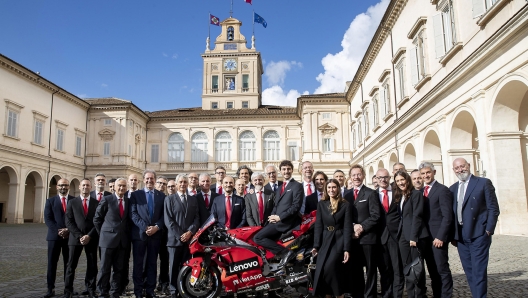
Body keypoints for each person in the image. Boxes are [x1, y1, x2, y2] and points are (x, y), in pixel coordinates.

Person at [449, 158, 500, 298]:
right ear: (453, 170)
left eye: (462, 166)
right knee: (470, 272)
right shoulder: (452, 189)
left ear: (469, 166)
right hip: (461, 237)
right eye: (457, 168)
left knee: (479, 271)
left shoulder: (483, 183)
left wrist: (488, 230)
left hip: (479, 234)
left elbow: (493, 208)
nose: (460, 170)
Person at [254, 160, 303, 268]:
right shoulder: (281, 187)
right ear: (280, 171)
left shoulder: (297, 186)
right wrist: (272, 217)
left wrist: (280, 217)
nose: (286, 171)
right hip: (276, 221)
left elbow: (295, 206)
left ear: (292, 170)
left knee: (257, 238)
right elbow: (276, 206)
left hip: (287, 222)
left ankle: (286, 252)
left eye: (288, 169)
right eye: (284, 169)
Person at [344, 164, 380, 298]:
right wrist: (353, 225)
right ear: (350, 177)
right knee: (355, 269)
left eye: (359, 174)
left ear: (363, 176)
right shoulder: (346, 195)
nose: (356, 177)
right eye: (353, 175)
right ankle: (358, 294)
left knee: (371, 269)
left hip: (368, 237)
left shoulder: (371, 193)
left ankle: (370, 295)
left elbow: (375, 215)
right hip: (352, 238)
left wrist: (361, 227)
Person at [311, 179, 352, 298]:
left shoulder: (345, 205)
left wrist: (346, 249)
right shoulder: (322, 204)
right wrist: (316, 245)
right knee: (324, 271)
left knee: (333, 269)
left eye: (334, 187)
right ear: (325, 189)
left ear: (338, 188)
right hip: (325, 240)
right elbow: (318, 225)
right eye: (329, 187)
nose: (331, 190)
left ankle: (340, 295)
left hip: (338, 240)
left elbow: (347, 227)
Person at [419, 162, 454, 298]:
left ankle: (446, 295)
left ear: (434, 172)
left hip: (438, 237)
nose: (426, 175)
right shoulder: (421, 191)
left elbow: (447, 216)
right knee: (432, 270)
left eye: (428, 172)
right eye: (423, 173)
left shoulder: (442, 190)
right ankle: (437, 294)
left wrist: (441, 236)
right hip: (426, 238)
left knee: (442, 269)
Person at [130, 170, 166, 298]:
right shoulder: (135, 195)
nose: (149, 181)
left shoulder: (161, 196)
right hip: (140, 235)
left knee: (152, 264)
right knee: (138, 264)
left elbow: (163, 216)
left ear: (155, 180)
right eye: (147, 178)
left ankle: (150, 290)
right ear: (143, 179)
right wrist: (145, 227)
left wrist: (156, 227)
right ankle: (138, 291)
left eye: (152, 179)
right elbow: (133, 214)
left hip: (155, 235)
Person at [394, 170, 429, 298]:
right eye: (397, 181)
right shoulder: (402, 195)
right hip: (403, 235)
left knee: (417, 267)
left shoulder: (416, 194)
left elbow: (417, 216)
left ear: (407, 179)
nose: (400, 183)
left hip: (415, 235)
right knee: (407, 267)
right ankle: (410, 294)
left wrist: (413, 237)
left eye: (402, 180)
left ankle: (420, 294)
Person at [164, 175, 201, 298]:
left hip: (189, 240)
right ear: (176, 183)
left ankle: (184, 289)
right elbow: (168, 220)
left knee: (185, 267)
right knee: (174, 267)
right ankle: (173, 290)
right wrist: (181, 235)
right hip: (174, 240)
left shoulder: (193, 199)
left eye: (185, 182)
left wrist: (190, 232)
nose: (183, 184)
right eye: (180, 182)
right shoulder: (169, 199)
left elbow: (197, 218)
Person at [93, 178, 130, 298]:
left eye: (124, 186)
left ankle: (115, 292)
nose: (121, 188)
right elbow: (97, 219)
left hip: (122, 241)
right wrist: (103, 234)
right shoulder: (107, 199)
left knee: (119, 269)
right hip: (107, 241)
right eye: (119, 186)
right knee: (105, 268)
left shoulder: (128, 201)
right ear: (114, 187)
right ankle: (103, 292)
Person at [63, 178, 99, 298]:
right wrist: (79, 236)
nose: (85, 187)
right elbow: (68, 221)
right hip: (75, 239)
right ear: (79, 187)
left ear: (91, 187)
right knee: (71, 265)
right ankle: (68, 291)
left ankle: (90, 289)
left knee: (92, 265)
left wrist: (89, 235)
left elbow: (98, 222)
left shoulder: (96, 203)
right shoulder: (72, 202)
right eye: (83, 185)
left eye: (87, 185)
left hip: (91, 238)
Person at [375, 168, 404, 298]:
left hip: (396, 235)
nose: (383, 180)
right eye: (380, 178)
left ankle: (397, 294)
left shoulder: (399, 192)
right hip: (380, 236)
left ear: (389, 178)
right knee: (384, 268)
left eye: (385, 177)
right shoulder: (373, 194)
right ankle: (386, 294)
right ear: (376, 179)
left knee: (397, 268)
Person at [44, 178, 74, 298]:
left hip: (69, 237)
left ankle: (68, 289)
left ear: (69, 187)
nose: (63, 187)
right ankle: (50, 289)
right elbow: (48, 219)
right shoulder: (50, 201)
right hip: (53, 237)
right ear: (57, 187)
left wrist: (68, 230)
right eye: (61, 185)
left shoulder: (74, 200)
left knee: (69, 264)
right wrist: (58, 231)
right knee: (52, 264)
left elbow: (76, 218)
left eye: (66, 185)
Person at [120, 173, 139, 296]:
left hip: (138, 232)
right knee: (123, 260)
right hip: (124, 234)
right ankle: (123, 284)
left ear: (138, 182)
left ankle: (139, 284)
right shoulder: (123, 195)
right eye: (131, 180)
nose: (133, 182)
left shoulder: (141, 194)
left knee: (139, 260)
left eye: (135, 180)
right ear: (128, 181)